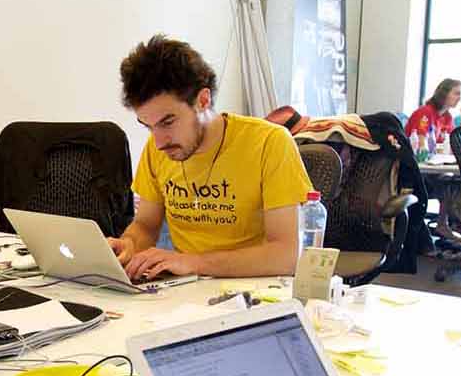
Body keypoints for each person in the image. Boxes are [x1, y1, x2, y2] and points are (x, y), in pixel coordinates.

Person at [107, 34, 314, 280]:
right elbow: (146, 225)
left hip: (253, 289)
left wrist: (193, 263)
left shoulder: (269, 143)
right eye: (149, 126)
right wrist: (129, 244)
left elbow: (286, 256)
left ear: (203, 100)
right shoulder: (159, 148)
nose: (159, 142)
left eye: (167, 122)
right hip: (185, 288)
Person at [406, 78, 461, 147]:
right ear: (444, 94)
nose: (460, 98)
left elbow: (454, 144)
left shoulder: (448, 117)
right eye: (456, 94)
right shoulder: (425, 112)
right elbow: (420, 145)